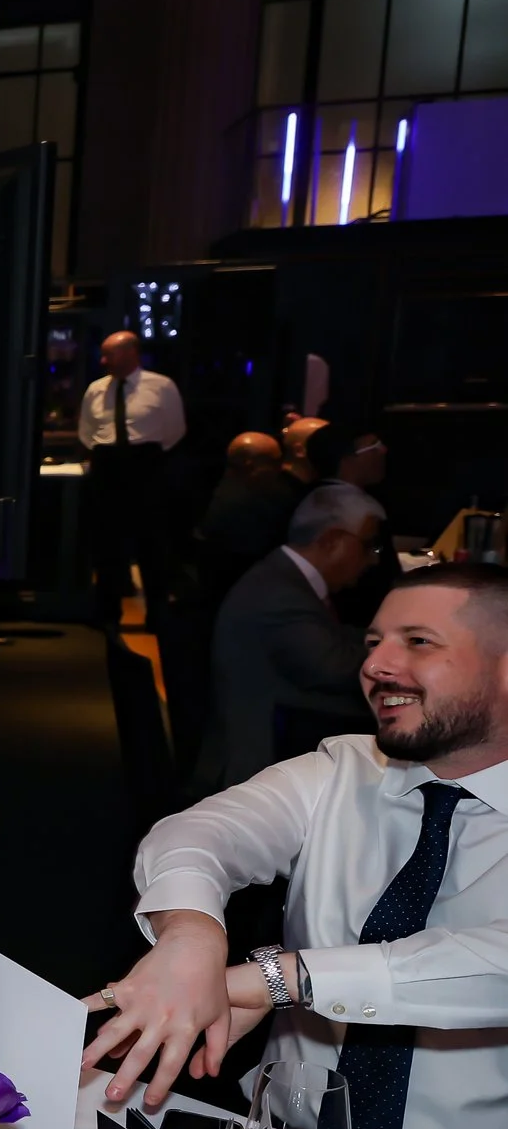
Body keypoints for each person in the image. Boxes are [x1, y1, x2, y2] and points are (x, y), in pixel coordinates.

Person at [82, 563, 508, 1129]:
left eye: (418, 642)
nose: (376, 665)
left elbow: (490, 965)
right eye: (372, 642)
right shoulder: (344, 768)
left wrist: (276, 980)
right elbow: (199, 834)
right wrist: (192, 940)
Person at [197, 484, 384, 790]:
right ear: (333, 540)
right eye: (368, 545)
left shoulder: (282, 577)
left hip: (287, 727)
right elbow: (334, 669)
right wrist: (405, 650)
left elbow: (335, 639)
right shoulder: (279, 593)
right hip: (262, 759)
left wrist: (390, 639)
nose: (373, 559)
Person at [77, 330, 188, 626]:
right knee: (107, 545)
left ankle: (158, 615)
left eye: (109, 355)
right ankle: (107, 615)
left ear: (131, 353)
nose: (103, 361)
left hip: (146, 466)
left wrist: (145, 456)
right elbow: (86, 432)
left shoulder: (161, 386)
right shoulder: (96, 389)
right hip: (107, 466)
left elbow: (175, 429)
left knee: (152, 544)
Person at [195, 430, 303, 593]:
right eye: (274, 462)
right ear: (251, 464)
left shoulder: (218, 488)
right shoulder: (249, 504)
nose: (280, 468)